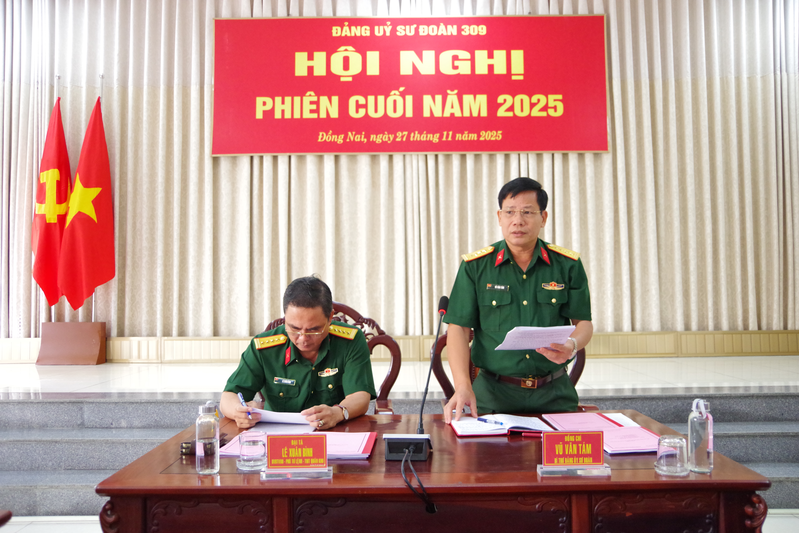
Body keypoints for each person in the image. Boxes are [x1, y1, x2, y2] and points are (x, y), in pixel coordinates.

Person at [443, 178, 593, 422]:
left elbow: (583, 323)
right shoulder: (476, 266)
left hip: (554, 395)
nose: (518, 220)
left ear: (543, 218)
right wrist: (462, 386)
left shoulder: (568, 265)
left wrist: (572, 345)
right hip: (492, 396)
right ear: (499, 217)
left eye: (527, 212)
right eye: (510, 212)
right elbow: (458, 327)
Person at [221, 276, 376, 430]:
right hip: (278, 434)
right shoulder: (264, 347)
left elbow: (360, 396)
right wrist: (237, 412)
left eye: (313, 330)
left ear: (330, 318)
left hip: (334, 432)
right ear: (285, 318)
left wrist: (338, 412)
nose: (303, 339)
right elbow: (229, 397)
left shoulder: (350, 341)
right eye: (294, 328)